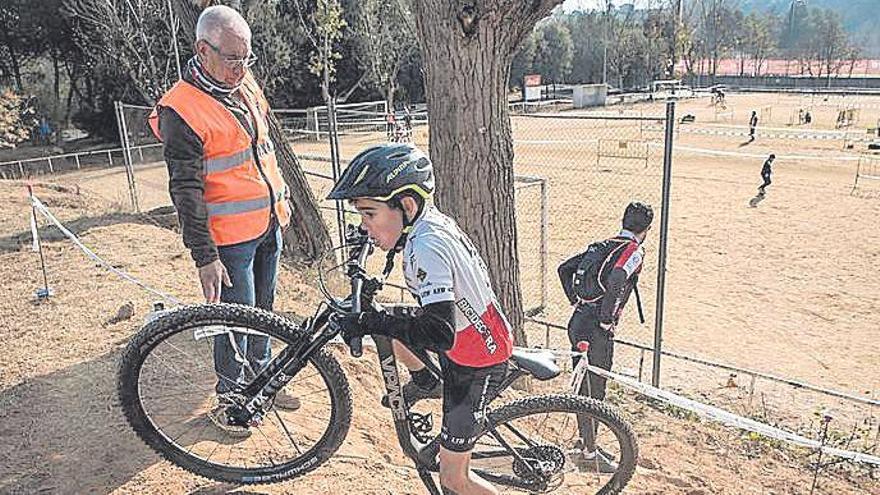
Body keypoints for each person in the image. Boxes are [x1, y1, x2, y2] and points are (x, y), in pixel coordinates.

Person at [330, 143, 514, 495]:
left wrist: (370, 323)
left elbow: (439, 333)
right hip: (471, 332)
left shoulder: (426, 247)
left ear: (407, 205)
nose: (365, 225)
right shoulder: (425, 224)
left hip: (477, 360)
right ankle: (427, 380)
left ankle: (432, 386)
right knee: (390, 319)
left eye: (370, 214)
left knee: (453, 479)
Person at [147, 5, 297, 436]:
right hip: (229, 241)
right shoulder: (180, 109)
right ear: (203, 50)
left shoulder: (244, 81)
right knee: (236, 319)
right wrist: (204, 256)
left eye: (247, 58)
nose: (241, 68)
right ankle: (233, 400)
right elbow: (186, 192)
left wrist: (278, 206)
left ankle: (264, 384)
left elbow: (260, 149)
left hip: (269, 222)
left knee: (264, 313)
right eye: (232, 59)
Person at [557, 202, 653, 472]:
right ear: (647, 229)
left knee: (581, 386)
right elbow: (619, 275)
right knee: (595, 390)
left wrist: (576, 301)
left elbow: (564, 268)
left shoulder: (601, 245)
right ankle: (589, 453)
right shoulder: (634, 250)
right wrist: (606, 319)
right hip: (596, 329)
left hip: (577, 321)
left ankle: (585, 443)